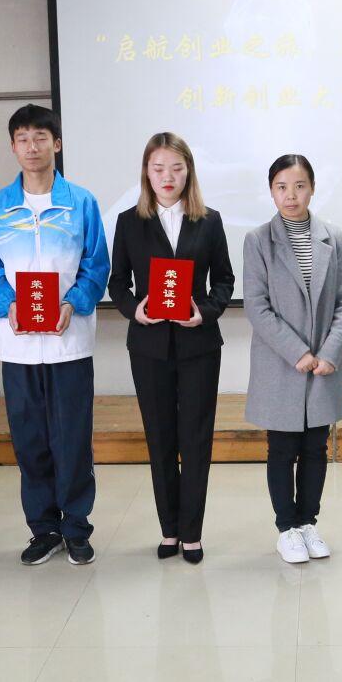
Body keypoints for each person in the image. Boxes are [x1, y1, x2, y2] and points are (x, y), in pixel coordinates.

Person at [0, 103, 109, 567]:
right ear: (13, 146)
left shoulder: (81, 203)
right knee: (29, 440)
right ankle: (43, 528)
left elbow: (97, 264)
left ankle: (76, 527)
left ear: (57, 143)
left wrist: (73, 302)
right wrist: (8, 304)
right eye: (22, 138)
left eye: (40, 137)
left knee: (72, 438)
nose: (31, 147)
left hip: (69, 342)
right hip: (18, 346)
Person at [107, 132, 234, 563]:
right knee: (159, 437)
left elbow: (224, 280)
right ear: (146, 172)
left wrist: (205, 311)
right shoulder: (129, 221)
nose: (168, 176)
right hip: (149, 346)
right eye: (159, 168)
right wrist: (135, 310)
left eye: (177, 168)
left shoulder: (209, 220)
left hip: (199, 344)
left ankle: (192, 532)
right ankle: (169, 529)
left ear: (188, 172)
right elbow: (117, 283)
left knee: (196, 438)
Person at [243, 154, 342, 564]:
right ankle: (286, 528)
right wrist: (299, 352)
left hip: (323, 364)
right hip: (280, 363)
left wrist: (328, 352)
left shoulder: (333, 237)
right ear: (271, 191)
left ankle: (308, 523)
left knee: (315, 447)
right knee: (281, 448)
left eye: (299, 186)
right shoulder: (258, 240)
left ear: (312, 188)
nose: (291, 195)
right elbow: (257, 306)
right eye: (282, 187)